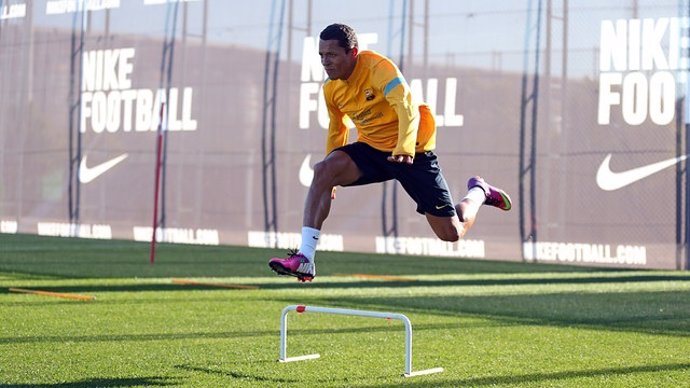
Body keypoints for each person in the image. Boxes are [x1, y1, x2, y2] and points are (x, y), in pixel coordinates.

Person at [269, 23, 511, 282]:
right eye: (321, 56)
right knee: (322, 171)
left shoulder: (378, 68)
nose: (325, 62)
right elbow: (337, 128)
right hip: (373, 149)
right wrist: (331, 176)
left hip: (413, 151)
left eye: (332, 55)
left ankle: (480, 192)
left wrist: (404, 147)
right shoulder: (331, 88)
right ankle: (305, 258)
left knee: (451, 232)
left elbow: (406, 106)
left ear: (353, 52)